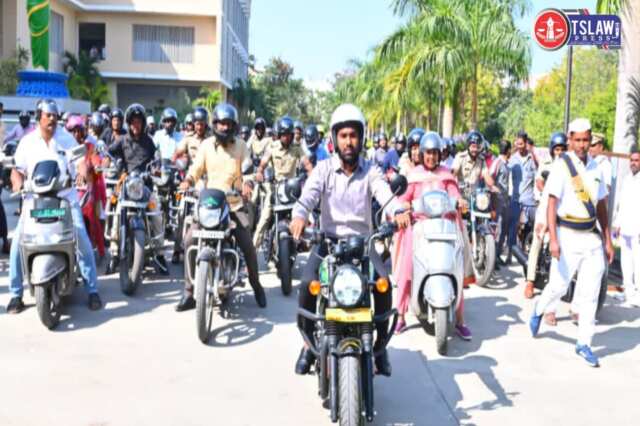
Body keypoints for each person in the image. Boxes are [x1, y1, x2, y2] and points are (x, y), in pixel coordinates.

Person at [290, 103, 408, 377]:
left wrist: (398, 211)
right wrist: (299, 216)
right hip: (328, 243)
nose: (348, 141)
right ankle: (308, 345)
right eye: (343, 135)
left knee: (383, 284)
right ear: (334, 138)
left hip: (363, 245)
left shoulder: (371, 171)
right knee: (307, 285)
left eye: (353, 135)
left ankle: (379, 345)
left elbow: (384, 195)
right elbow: (308, 196)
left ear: (361, 138)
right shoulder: (323, 170)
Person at [529, 118, 614, 368]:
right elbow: (551, 203)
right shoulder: (561, 166)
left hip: (591, 237)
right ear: (570, 140)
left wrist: (608, 240)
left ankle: (584, 343)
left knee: (590, 293)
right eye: (577, 140)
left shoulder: (597, 168)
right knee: (559, 285)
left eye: (586, 140)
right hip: (566, 234)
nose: (582, 144)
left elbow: (601, 206)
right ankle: (539, 308)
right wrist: (554, 240)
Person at [6, 99, 102, 314]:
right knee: (18, 242)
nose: (52, 119)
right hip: (34, 200)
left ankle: (92, 290)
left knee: (81, 237)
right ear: (38, 117)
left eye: (55, 115)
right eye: (48, 115)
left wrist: (81, 174)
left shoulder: (66, 138)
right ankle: (16, 294)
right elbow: (17, 170)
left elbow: (81, 162)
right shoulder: (27, 142)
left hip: (65, 199)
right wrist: (17, 183)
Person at [176, 103, 266, 311]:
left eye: (228, 124)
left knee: (248, 245)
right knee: (189, 240)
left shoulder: (242, 146)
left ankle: (256, 285)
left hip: (233, 204)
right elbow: (196, 168)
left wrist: (247, 184)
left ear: (234, 126)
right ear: (214, 124)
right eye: (221, 123)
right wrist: (188, 181)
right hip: (209, 204)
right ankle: (189, 291)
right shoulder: (206, 145)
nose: (224, 127)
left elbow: (248, 170)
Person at [392, 131, 473, 338]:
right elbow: (403, 199)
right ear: (422, 154)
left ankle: (460, 319)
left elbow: (454, 194)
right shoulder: (414, 175)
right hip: (420, 228)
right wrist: (405, 207)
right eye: (428, 153)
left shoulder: (446, 175)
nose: (431, 157)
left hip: (444, 227)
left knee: (456, 265)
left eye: (435, 153)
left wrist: (460, 202)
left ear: (440, 154)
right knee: (406, 268)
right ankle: (400, 316)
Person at [103, 104, 168, 275]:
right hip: (126, 185)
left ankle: (160, 254)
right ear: (128, 123)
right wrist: (107, 160)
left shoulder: (149, 141)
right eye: (133, 122)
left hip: (145, 186)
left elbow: (156, 159)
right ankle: (115, 253)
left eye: (138, 122)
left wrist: (157, 168)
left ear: (143, 123)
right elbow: (108, 152)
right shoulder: (122, 140)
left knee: (156, 215)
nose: (135, 125)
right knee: (117, 214)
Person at [253, 116, 313, 248]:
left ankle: (306, 242)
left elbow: (308, 165)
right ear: (279, 135)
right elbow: (262, 164)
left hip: (293, 189)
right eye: (284, 135)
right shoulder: (272, 147)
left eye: (289, 135)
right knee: (265, 217)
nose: (286, 137)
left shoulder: (297, 148)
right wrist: (260, 173)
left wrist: (312, 178)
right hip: (276, 189)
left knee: (305, 213)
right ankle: (252, 251)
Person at [524, 132, 568, 300]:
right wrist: (549, 192)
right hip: (545, 206)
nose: (560, 152)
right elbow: (539, 181)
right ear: (552, 150)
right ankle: (530, 281)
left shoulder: (570, 165)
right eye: (557, 149)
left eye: (562, 149)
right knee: (538, 239)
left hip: (563, 207)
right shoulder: (546, 163)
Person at [67, 115, 107, 257]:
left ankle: (97, 249)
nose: (76, 134)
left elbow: (97, 160)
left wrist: (98, 166)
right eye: (73, 131)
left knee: (94, 216)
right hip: (65, 192)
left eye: (79, 131)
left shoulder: (89, 147)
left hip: (86, 191)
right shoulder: (62, 147)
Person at [613, 146, 640, 306]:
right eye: (632, 160)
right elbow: (621, 203)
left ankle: (638, 295)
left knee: (638, 262)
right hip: (625, 228)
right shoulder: (627, 178)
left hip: (638, 229)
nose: (633, 163)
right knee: (626, 261)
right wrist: (617, 223)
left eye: (637, 160)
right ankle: (629, 292)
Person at [508, 130, 537, 263]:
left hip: (530, 201)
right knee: (513, 228)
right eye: (517, 144)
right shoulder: (512, 159)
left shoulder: (533, 159)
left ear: (526, 144)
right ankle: (510, 255)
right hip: (516, 200)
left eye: (521, 144)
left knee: (534, 228)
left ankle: (532, 256)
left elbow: (539, 176)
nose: (519, 146)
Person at [490, 140, 512, 265]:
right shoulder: (497, 162)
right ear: (508, 150)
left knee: (503, 228)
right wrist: (494, 190)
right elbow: (490, 177)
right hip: (497, 201)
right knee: (496, 229)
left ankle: (497, 255)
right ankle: (493, 258)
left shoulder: (505, 163)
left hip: (504, 201)